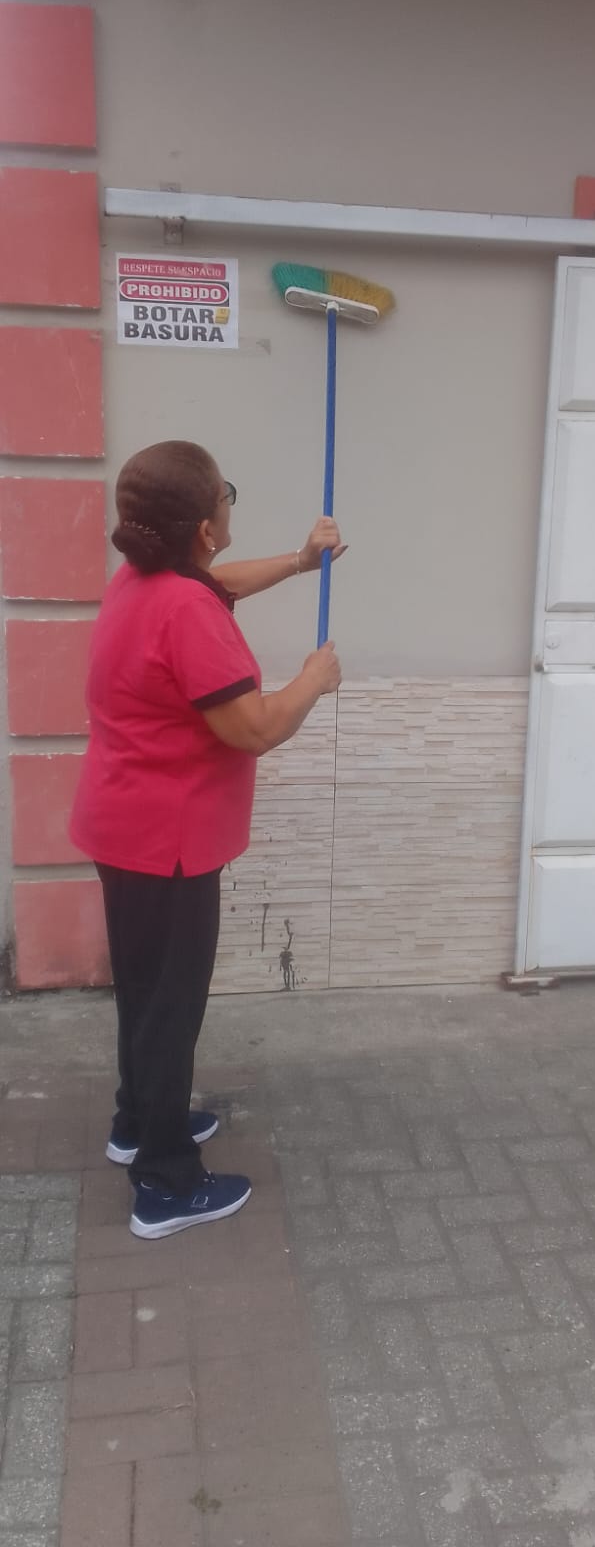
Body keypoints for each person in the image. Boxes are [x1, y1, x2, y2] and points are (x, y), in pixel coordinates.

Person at [70, 440, 342, 1239]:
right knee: (170, 1007)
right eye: (225, 496)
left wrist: (299, 561)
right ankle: (164, 1183)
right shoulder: (186, 612)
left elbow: (221, 585)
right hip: (169, 844)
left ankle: (137, 1122)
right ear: (203, 528)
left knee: (145, 991)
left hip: (123, 825)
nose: (228, 506)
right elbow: (252, 728)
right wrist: (312, 681)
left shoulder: (142, 580)